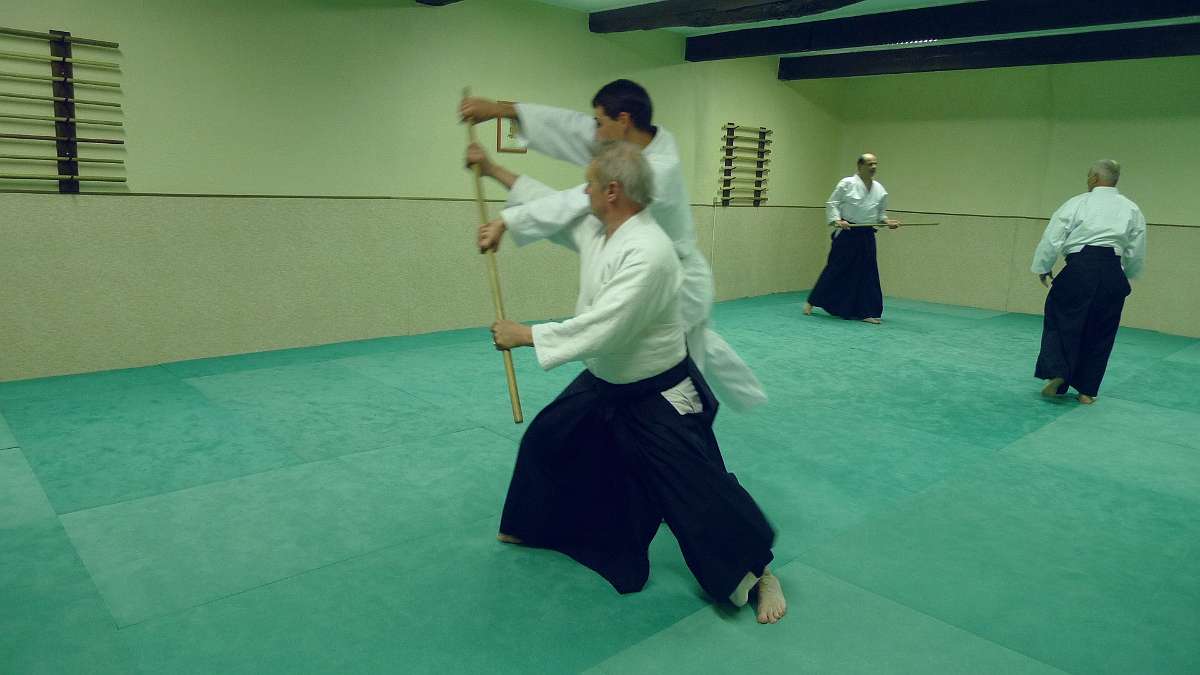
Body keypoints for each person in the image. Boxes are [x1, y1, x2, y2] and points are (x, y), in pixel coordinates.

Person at [482, 140, 787, 624]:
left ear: (612, 191)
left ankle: (758, 574)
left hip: (656, 392)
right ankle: (535, 526)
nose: (581, 191)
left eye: (589, 184)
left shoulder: (650, 251)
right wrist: (505, 220)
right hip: (605, 382)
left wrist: (526, 335)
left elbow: (608, 325)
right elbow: (554, 209)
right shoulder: (599, 225)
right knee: (547, 438)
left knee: (697, 492)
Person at [460, 80, 767, 411]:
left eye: (599, 123)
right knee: (643, 363)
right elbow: (572, 139)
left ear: (623, 121)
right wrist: (498, 125)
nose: (591, 133)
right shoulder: (619, 177)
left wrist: (508, 221)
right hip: (636, 274)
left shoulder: (656, 170)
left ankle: (689, 428)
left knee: (677, 373)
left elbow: (573, 204)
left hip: (673, 281)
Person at [1032, 159, 1147, 404]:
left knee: (1061, 318)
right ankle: (1087, 391)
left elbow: (1053, 238)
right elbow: (1136, 250)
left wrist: (1043, 267)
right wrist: (1123, 276)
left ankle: (1059, 374)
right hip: (1112, 270)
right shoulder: (1131, 209)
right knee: (1102, 330)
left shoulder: (1078, 203)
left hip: (1080, 268)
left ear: (1094, 179)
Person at [803, 153, 900, 324]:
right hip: (848, 232)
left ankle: (867, 311)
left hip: (867, 234)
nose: (873, 167)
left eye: (875, 164)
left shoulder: (879, 189)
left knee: (867, 273)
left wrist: (887, 222)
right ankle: (812, 301)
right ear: (860, 166)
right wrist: (837, 220)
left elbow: (880, 214)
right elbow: (832, 204)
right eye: (870, 164)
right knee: (836, 268)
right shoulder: (847, 183)